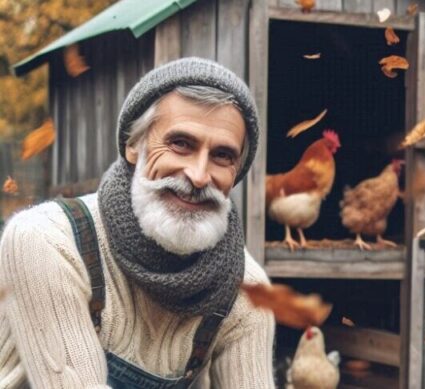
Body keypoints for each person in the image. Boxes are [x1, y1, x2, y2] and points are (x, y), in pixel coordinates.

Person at [0, 57, 275, 388]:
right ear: (133, 145)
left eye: (222, 156)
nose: (199, 176)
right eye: (181, 144)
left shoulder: (245, 290)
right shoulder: (46, 241)